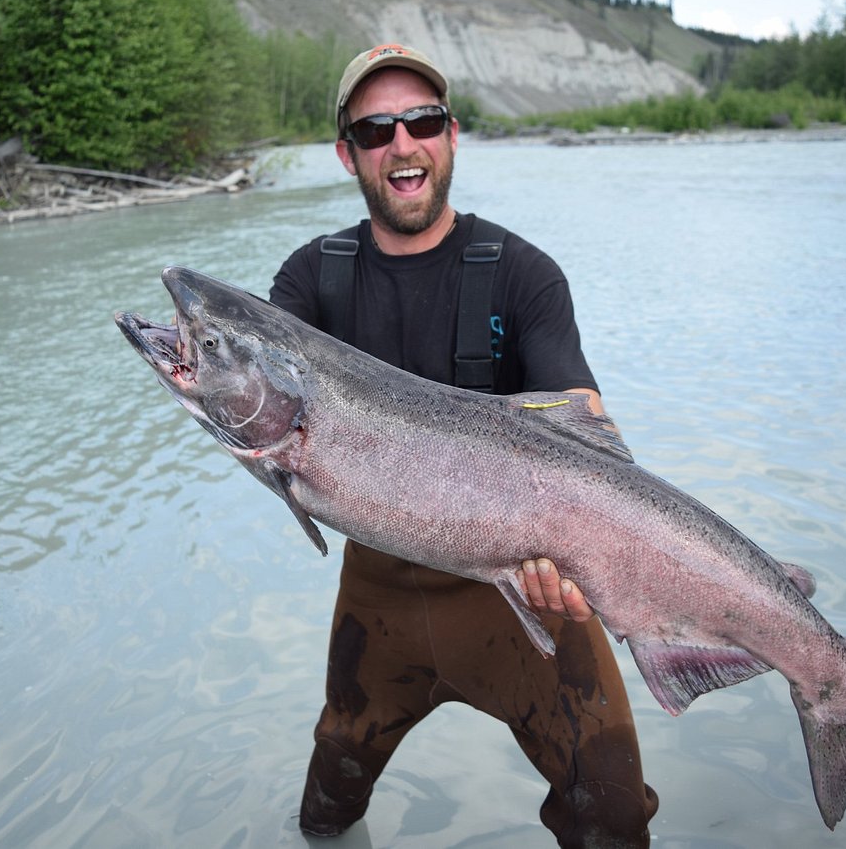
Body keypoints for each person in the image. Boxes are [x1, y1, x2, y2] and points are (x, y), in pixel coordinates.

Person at [269, 43, 658, 848]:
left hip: (532, 603)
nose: (402, 144)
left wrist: (586, 556)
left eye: (423, 120)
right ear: (348, 153)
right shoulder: (309, 284)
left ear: (453, 135)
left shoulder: (523, 276)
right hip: (378, 606)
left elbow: (588, 427)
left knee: (616, 819)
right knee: (326, 814)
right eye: (376, 130)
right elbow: (264, 417)